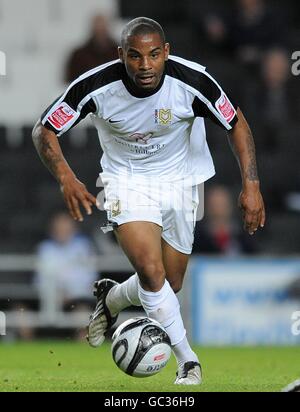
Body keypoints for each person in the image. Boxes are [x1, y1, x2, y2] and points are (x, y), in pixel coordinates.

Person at [32, 17, 265, 385]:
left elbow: (236, 122)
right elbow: (44, 128)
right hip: (126, 182)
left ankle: (113, 298)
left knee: (169, 283)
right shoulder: (97, 85)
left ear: (166, 52)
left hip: (182, 182)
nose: (145, 65)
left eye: (154, 55)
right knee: (151, 274)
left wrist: (251, 185)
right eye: (136, 56)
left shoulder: (191, 81)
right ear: (121, 54)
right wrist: (66, 177)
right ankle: (188, 360)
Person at [35, 211, 98, 339]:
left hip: (78, 297)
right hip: (50, 297)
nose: (62, 230)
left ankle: (82, 353)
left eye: (65, 227)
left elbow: (89, 276)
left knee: (83, 316)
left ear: (73, 228)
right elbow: (41, 278)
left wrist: (70, 292)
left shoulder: (83, 246)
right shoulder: (45, 248)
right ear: (52, 230)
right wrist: (58, 291)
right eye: (59, 228)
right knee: (23, 315)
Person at [193, 185, 257, 255]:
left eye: (222, 204)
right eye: (214, 205)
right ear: (207, 207)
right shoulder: (196, 239)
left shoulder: (243, 238)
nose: (217, 209)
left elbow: (256, 260)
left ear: (230, 206)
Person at [65, 14, 118, 83]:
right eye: (98, 29)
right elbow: (70, 81)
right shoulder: (79, 56)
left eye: (103, 28)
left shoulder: (119, 53)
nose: (100, 31)